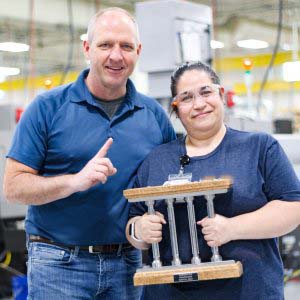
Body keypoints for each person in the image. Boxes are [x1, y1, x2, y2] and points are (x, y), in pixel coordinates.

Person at [3, 7, 175, 300]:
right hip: (59, 264)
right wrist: (74, 181)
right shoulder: (46, 108)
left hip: (128, 264)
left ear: (138, 51)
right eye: (105, 45)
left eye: (126, 46)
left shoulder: (154, 116)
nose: (116, 56)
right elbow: (13, 188)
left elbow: (170, 184)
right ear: (87, 48)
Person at [126, 61, 300, 300]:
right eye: (186, 98)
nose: (199, 104)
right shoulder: (157, 160)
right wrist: (139, 230)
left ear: (220, 94)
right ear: (176, 108)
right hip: (170, 294)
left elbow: (293, 207)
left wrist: (231, 228)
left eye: (206, 92)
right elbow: (132, 222)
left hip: (250, 291)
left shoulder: (259, 147)